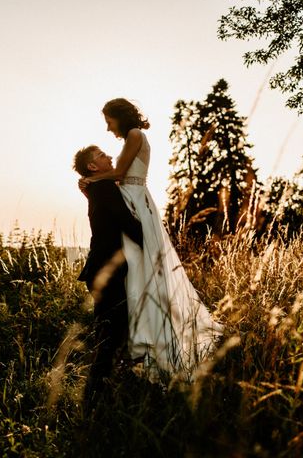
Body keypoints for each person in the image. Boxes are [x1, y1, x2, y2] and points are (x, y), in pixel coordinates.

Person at [79, 98, 223, 381]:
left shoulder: (135, 135)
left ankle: (151, 342)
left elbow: (119, 174)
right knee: (137, 273)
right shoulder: (130, 139)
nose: (108, 129)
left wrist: (90, 180)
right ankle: (138, 341)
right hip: (131, 200)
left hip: (136, 203)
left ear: (119, 117)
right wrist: (91, 186)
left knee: (140, 271)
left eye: (109, 121)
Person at [73, 145, 144, 410]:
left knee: (112, 331)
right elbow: (126, 221)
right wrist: (156, 244)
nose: (109, 157)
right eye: (102, 156)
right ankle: (94, 399)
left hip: (106, 270)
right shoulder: (103, 189)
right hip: (105, 272)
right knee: (109, 334)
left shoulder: (98, 187)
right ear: (92, 166)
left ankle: (105, 392)